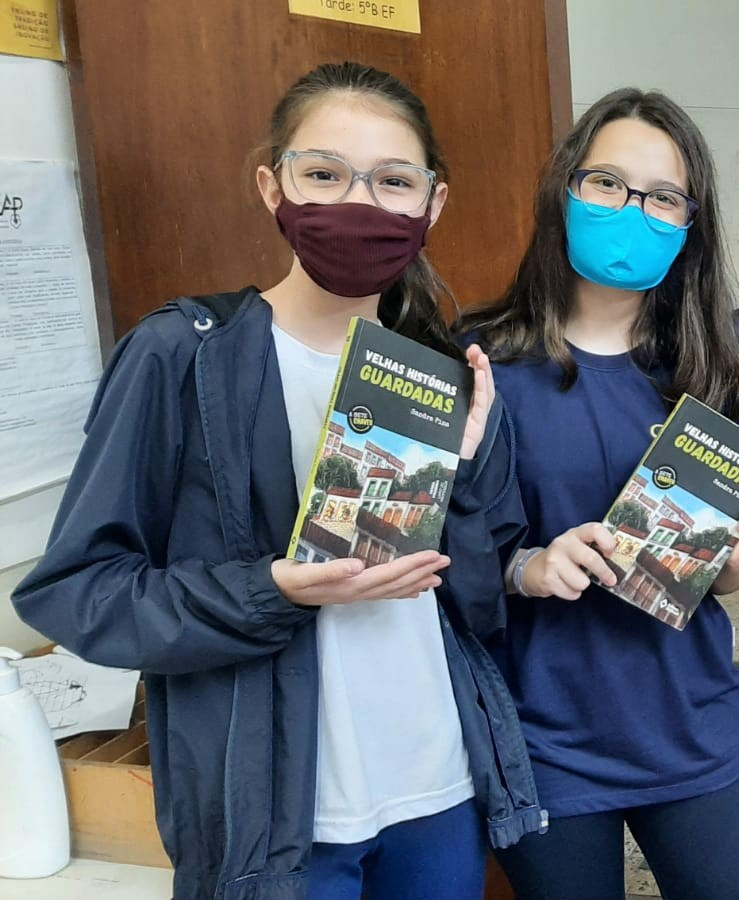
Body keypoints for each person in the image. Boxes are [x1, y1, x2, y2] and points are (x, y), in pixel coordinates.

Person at [12, 62, 543, 900]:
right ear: (273, 186)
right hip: (275, 815)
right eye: (325, 174)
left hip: (439, 785)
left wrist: (467, 480)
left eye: (393, 181)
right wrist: (271, 592)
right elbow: (80, 592)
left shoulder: (442, 378)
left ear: (432, 203)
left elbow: (479, 604)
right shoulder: (182, 356)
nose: (360, 203)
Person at [463, 88, 739, 900]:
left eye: (663, 197)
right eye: (607, 183)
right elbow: (444, 548)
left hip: (690, 723)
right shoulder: (481, 363)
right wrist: (527, 567)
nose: (631, 209)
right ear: (565, 189)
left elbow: (720, 580)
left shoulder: (714, 372)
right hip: (545, 735)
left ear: (689, 225)